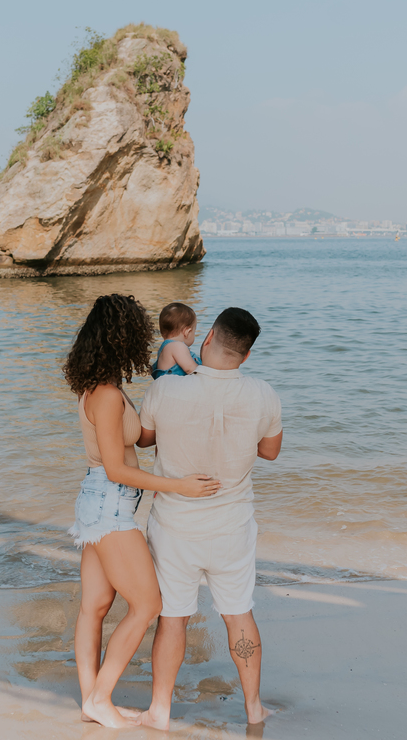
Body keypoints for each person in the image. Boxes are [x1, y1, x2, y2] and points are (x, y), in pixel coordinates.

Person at [62, 294, 222, 728]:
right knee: (149, 604)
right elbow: (117, 468)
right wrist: (180, 487)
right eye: (138, 333)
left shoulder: (97, 388)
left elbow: (127, 447)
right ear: (122, 339)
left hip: (97, 501)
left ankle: (90, 700)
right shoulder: (110, 395)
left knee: (94, 606)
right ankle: (99, 698)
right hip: (110, 506)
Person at [136, 307, 283, 729]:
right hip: (232, 528)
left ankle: (160, 711)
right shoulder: (263, 394)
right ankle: (254, 708)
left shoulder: (166, 391)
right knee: (238, 613)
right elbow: (270, 451)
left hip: (175, 528)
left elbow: (145, 442)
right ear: (247, 355)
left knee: (174, 617)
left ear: (208, 337)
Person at [152, 302, 201, 379]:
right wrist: (206, 376)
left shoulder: (164, 349)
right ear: (187, 332)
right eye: (194, 331)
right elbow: (190, 368)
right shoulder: (178, 346)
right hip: (175, 388)